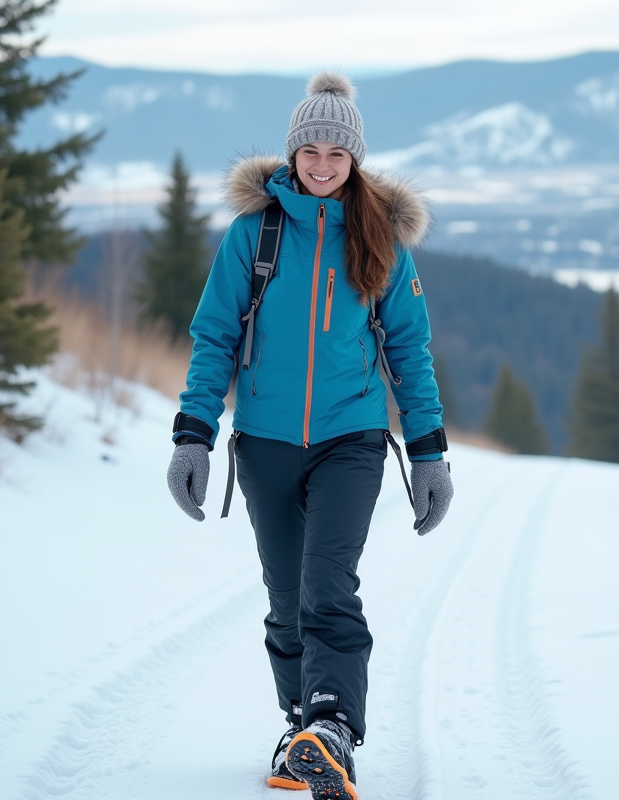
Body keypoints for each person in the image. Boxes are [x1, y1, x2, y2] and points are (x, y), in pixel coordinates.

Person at [165, 70, 454, 800]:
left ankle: (332, 727)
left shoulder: (380, 238)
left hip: (351, 439)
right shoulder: (251, 236)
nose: (322, 165)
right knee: (286, 597)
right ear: (292, 154)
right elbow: (213, 339)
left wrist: (428, 453)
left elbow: (409, 350)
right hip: (263, 442)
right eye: (310, 151)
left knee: (329, 585)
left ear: (355, 159)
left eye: (337, 153)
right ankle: (300, 723)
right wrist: (192, 435)